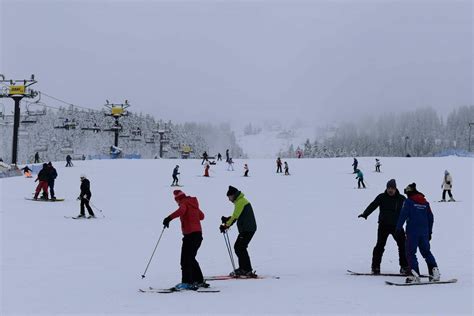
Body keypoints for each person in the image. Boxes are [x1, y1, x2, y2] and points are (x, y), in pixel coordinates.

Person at [358, 179, 409, 275]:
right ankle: (375, 267)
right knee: (380, 246)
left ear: (395, 188)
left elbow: (408, 210)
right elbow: (373, 205)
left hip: (397, 227)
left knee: (403, 246)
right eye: (389, 188)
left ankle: (404, 267)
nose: (390, 190)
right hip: (383, 226)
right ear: (386, 188)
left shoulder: (401, 198)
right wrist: (365, 213)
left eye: (392, 188)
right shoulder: (382, 197)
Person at [162, 190, 207, 290]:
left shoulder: (183, 203)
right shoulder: (193, 204)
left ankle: (187, 282)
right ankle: (199, 280)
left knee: (185, 260)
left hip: (190, 235)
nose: (177, 203)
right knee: (191, 258)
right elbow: (202, 216)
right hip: (198, 235)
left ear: (178, 199)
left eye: (176, 201)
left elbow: (181, 211)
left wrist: (168, 218)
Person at [396, 183, 440, 283]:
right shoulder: (425, 203)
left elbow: (403, 215)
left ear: (409, 193)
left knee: (411, 253)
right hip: (424, 232)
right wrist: (429, 232)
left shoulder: (408, 202)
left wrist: (398, 228)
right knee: (426, 252)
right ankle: (435, 273)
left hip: (412, 232)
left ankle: (414, 275)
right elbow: (431, 218)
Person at [220, 186, 257, 277]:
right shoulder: (241, 201)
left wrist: (226, 225)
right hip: (247, 228)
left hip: (247, 229)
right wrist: (227, 220)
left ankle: (246, 269)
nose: (229, 199)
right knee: (240, 247)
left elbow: (235, 216)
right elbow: (237, 215)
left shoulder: (240, 202)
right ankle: (245, 269)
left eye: (229, 197)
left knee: (239, 247)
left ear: (233, 195)